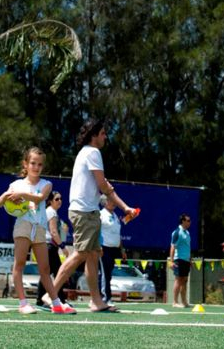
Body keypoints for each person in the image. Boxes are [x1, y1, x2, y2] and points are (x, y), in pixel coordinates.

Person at [51, 118, 137, 313]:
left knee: (92, 256)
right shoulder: (93, 152)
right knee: (81, 254)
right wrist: (114, 195)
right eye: (103, 133)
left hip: (89, 211)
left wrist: (125, 208)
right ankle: (51, 293)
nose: (106, 137)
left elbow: (105, 187)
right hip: (84, 211)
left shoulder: (88, 154)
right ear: (94, 136)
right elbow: (104, 186)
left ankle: (96, 301)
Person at [0, 148, 75, 314]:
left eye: (39, 164)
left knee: (45, 269)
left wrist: (22, 194)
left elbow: (39, 199)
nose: (36, 167)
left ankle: (56, 304)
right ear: (25, 164)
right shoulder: (16, 185)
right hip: (23, 225)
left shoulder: (46, 184)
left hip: (39, 229)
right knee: (19, 264)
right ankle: (23, 303)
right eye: (32, 163)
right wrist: (5, 196)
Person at [37, 191, 70, 308]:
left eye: (61, 199)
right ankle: (58, 299)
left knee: (49, 273)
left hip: (47, 246)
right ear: (50, 201)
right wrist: (63, 247)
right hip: (49, 246)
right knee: (58, 273)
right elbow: (54, 232)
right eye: (57, 199)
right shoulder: (51, 212)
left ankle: (42, 300)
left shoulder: (49, 212)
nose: (60, 201)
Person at [98, 194, 125, 306]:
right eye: (111, 200)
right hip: (104, 248)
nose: (114, 202)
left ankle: (105, 297)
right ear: (105, 202)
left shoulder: (115, 216)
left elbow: (118, 235)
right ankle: (105, 298)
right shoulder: (100, 215)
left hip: (114, 249)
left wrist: (122, 250)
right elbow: (97, 231)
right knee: (104, 274)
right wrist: (98, 246)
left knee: (108, 275)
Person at [169, 213, 192, 308]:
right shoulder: (177, 232)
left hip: (186, 260)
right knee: (178, 280)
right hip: (179, 260)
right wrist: (171, 261)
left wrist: (190, 260)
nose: (190, 222)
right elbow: (173, 246)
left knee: (185, 280)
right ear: (183, 221)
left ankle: (184, 302)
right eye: (188, 220)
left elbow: (187, 247)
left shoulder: (187, 233)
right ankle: (174, 302)